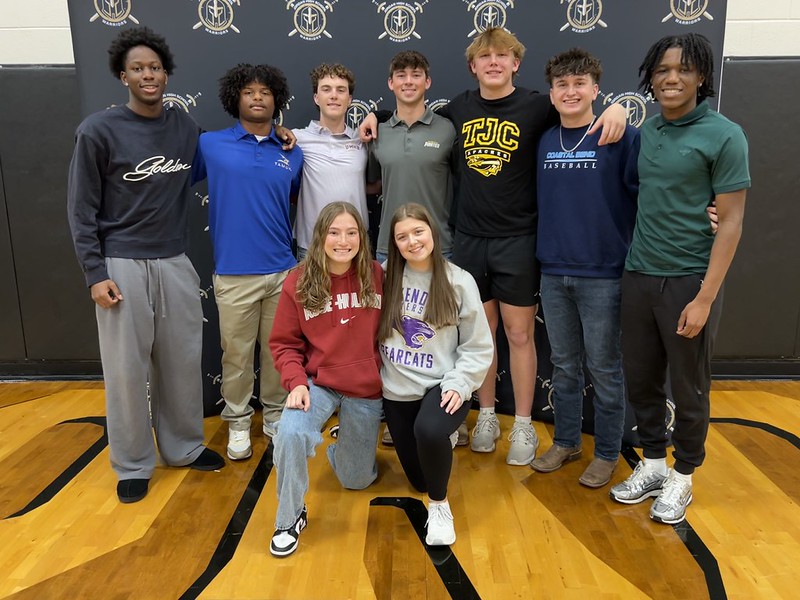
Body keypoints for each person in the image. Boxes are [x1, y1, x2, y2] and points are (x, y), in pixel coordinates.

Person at [361, 28, 626, 466]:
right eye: (485, 57)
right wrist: (375, 113)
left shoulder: (539, 105)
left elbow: (578, 110)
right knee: (478, 334)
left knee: (520, 333)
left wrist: (615, 107)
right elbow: (407, 118)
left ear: (515, 63)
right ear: (473, 66)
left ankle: (522, 423)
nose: (494, 63)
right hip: (468, 238)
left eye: (502, 56)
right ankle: (484, 415)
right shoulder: (457, 110)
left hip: (519, 239)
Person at [67, 27, 224, 504]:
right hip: (121, 263)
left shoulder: (181, 125)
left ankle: (183, 447)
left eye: (154, 67)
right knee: (126, 369)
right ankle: (133, 462)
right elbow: (81, 209)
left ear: (166, 73)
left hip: (174, 259)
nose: (148, 75)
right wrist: (95, 273)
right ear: (123, 75)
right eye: (138, 68)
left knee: (180, 362)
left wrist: (273, 134)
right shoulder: (99, 129)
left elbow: (219, 159)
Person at [610, 33, 750, 524]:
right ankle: (652, 463)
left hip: (690, 280)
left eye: (683, 70)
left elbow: (730, 221)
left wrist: (706, 298)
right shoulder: (647, 131)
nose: (671, 78)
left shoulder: (724, 135)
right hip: (639, 275)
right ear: (651, 76)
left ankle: (683, 474)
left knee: (688, 387)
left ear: (702, 77)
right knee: (642, 380)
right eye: (663, 69)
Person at [529, 49, 639, 488]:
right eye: (562, 85)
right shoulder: (545, 140)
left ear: (596, 89)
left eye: (580, 83)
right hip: (553, 271)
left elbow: (650, 193)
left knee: (605, 368)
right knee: (564, 366)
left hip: (604, 273)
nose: (571, 91)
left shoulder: (622, 136)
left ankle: (609, 453)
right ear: (552, 94)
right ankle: (568, 441)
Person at [197, 64, 303, 461]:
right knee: (237, 356)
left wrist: (282, 135)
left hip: (282, 270)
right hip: (234, 273)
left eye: (265, 92)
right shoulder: (210, 144)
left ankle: (276, 417)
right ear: (234, 99)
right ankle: (239, 422)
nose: (257, 98)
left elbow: (292, 200)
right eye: (249, 92)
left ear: (276, 100)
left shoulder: (290, 151)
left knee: (279, 355)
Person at [267, 202, 384, 556]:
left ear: (361, 238)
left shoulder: (377, 274)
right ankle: (289, 518)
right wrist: (296, 382)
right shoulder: (298, 281)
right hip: (319, 383)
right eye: (334, 232)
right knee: (288, 432)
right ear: (320, 237)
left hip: (364, 388)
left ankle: (341, 445)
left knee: (356, 480)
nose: (343, 241)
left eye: (351, 233)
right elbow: (284, 343)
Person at [379, 203, 492, 546]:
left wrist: (461, 382)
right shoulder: (384, 276)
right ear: (394, 243)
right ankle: (438, 445)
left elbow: (478, 346)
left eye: (418, 232)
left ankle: (440, 509)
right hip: (397, 390)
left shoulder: (459, 281)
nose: (412, 241)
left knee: (428, 432)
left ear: (432, 233)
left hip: (441, 386)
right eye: (402, 236)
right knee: (418, 480)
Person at [368, 51, 456, 263]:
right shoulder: (377, 133)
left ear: (427, 82)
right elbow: (373, 185)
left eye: (416, 75)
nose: (408, 81)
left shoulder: (449, 129)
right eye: (401, 75)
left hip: (438, 246)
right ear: (391, 83)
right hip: (390, 248)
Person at [293, 63, 375, 259]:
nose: (334, 95)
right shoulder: (297, 139)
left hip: (355, 246)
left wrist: (375, 115)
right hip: (312, 246)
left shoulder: (364, 139)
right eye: (326, 89)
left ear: (350, 99)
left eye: (341, 90)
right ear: (316, 98)